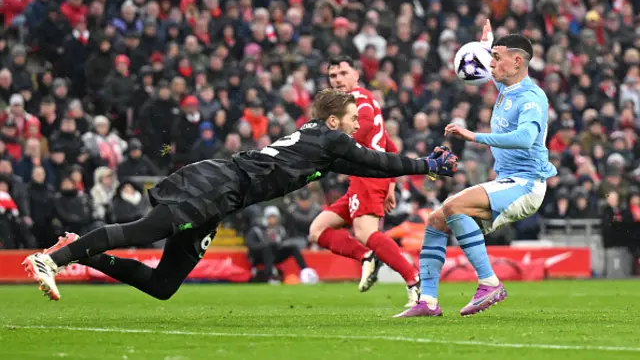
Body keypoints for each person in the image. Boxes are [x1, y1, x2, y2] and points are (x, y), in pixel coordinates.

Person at [23, 89, 459, 302]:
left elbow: (367, 165)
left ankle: (79, 252)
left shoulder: (325, 146)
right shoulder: (333, 141)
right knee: (145, 230)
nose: (354, 125)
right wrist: (429, 166)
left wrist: (425, 167)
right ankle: (53, 260)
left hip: (224, 193)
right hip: (216, 185)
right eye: (350, 118)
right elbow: (379, 162)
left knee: (162, 285)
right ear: (331, 121)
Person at [395, 21, 557, 318]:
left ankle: (490, 282)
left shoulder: (531, 98)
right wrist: (488, 42)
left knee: (454, 206)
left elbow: (525, 138)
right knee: (436, 219)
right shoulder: (507, 86)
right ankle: (427, 301)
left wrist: (474, 136)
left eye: (497, 58)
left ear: (517, 61)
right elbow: (490, 69)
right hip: (509, 181)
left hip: (527, 183)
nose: (490, 63)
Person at [308, 55, 422, 307]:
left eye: (343, 74)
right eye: (333, 76)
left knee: (365, 232)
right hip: (366, 179)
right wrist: (391, 184)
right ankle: (367, 256)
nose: (338, 80)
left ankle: (413, 279)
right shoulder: (360, 100)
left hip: (367, 176)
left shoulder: (358, 100)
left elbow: (366, 124)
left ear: (356, 74)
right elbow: (389, 145)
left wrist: (335, 147)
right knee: (317, 229)